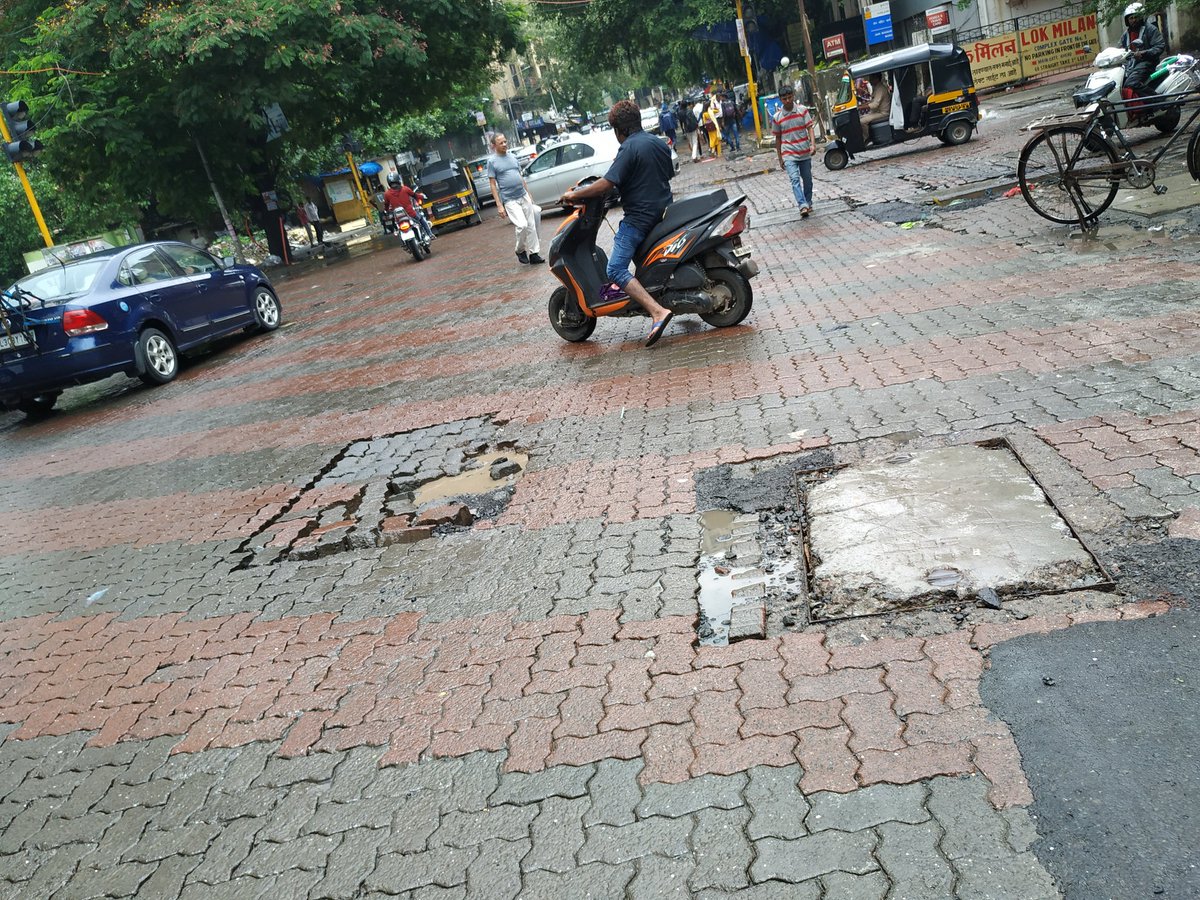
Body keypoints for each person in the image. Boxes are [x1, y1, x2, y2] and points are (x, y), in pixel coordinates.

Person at [559, 99, 676, 347]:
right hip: (664, 211)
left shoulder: (629, 148)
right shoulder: (658, 143)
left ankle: (657, 312)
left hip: (639, 219)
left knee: (614, 270)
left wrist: (574, 195)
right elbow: (663, 175)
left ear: (619, 130)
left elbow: (606, 183)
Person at [486, 132, 545, 265]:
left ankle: (534, 253)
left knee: (531, 225)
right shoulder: (492, 161)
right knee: (522, 225)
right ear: (494, 145)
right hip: (509, 199)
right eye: (501, 143)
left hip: (523, 195)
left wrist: (528, 193)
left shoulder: (513, 157)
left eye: (505, 142)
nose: (504, 144)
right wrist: (499, 204)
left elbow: (520, 177)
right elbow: (492, 184)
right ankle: (520, 250)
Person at [772, 83, 816, 219]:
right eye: (784, 98)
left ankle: (808, 202)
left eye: (789, 97)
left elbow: (810, 128)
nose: (787, 101)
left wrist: (813, 144)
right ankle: (802, 205)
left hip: (804, 151)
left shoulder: (802, 111)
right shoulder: (777, 118)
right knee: (794, 179)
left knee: (807, 180)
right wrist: (780, 157)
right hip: (788, 153)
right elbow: (778, 139)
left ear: (793, 96)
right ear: (780, 99)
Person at [1119, 2, 1166, 93]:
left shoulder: (1150, 29)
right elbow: (1120, 49)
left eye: (1136, 17)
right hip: (1131, 65)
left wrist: (1143, 53)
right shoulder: (1125, 35)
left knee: (1131, 83)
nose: (1134, 20)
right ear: (1127, 20)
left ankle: (1159, 101)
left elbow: (1160, 46)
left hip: (1148, 62)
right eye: (1131, 18)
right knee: (1118, 83)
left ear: (1141, 17)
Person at [383, 173, 433, 242]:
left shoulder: (387, 194)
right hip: (411, 214)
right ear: (398, 180)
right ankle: (430, 234)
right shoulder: (405, 189)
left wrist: (386, 211)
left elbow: (386, 205)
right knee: (421, 219)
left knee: (397, 227)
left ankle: (403, 242)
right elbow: (415, 195)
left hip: (399, 217)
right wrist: (422, 197)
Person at [860, 72, 892, 143]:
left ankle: (867, 138)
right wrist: (865, 104)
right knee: (861, 117)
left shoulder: (880, 89)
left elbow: (875, 105)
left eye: (871, 79)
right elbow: (873, 101)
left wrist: (862, 107)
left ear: (876, 79)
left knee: (862, 121)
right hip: (877, 111)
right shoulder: (876, 88)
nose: (870, 80)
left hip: (883, 113)